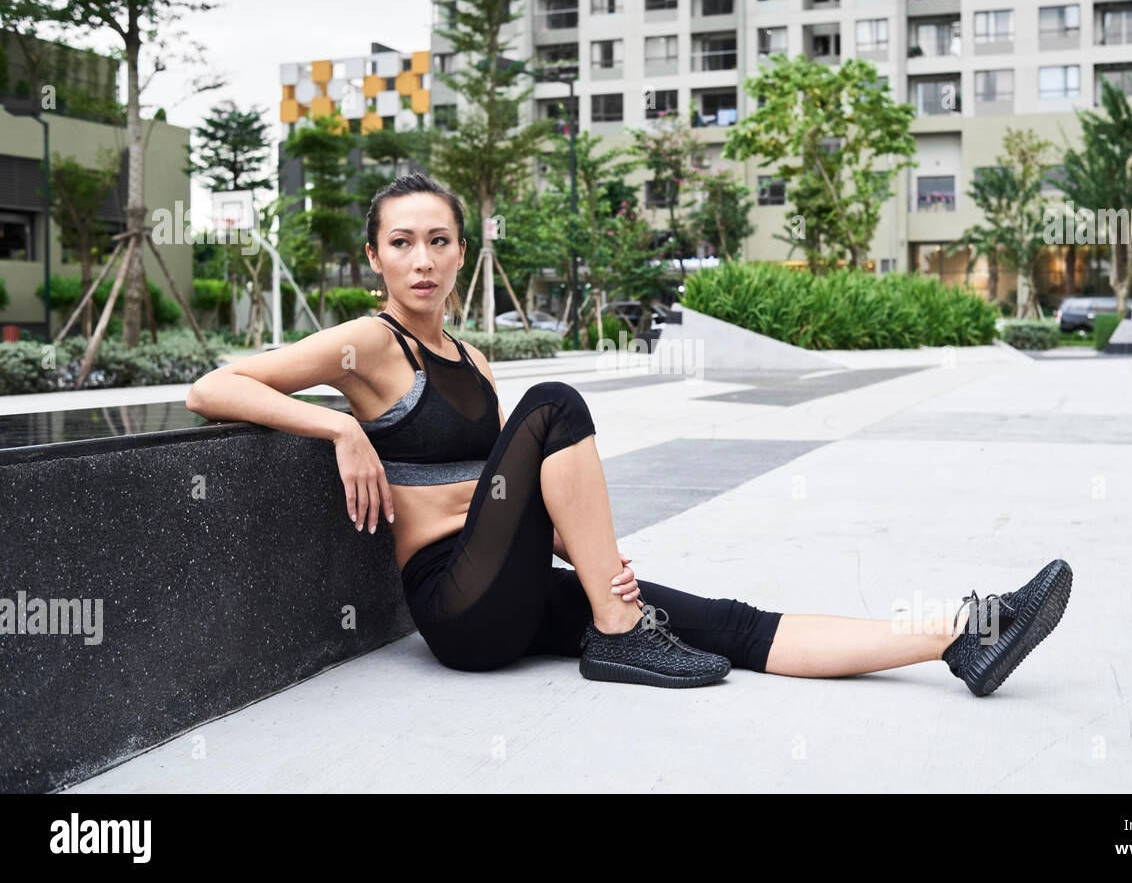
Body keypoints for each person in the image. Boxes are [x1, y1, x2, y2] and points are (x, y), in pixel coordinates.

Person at [185, 173, 1072, 694]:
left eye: (439, 241)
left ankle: (965, 631)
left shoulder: (475, 356)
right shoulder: (367, 343)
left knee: (728, 621)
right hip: (456, 607)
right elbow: (211, 385)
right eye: (403, 243)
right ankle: (616, 629)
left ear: (462, 251)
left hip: (521, 581)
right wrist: (337, 429)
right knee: (560, 401)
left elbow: (524, 492)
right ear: (373, 256)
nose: (422, 260)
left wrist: (596, 559)